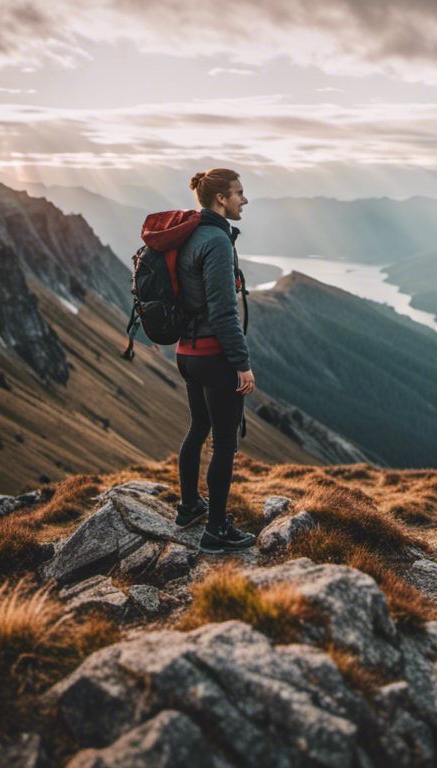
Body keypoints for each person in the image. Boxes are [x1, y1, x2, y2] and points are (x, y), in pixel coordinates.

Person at [172, 168, 257, 553]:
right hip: (213, 355)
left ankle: (189, 507)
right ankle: (216, 530)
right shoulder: (218, 242)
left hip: (186, 354)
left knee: (197, 429)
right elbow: (223, 312)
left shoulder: (189, 234)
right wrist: (242, 363)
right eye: (239, 193)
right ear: (221, 199)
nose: (244, 199)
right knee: (224, 444)